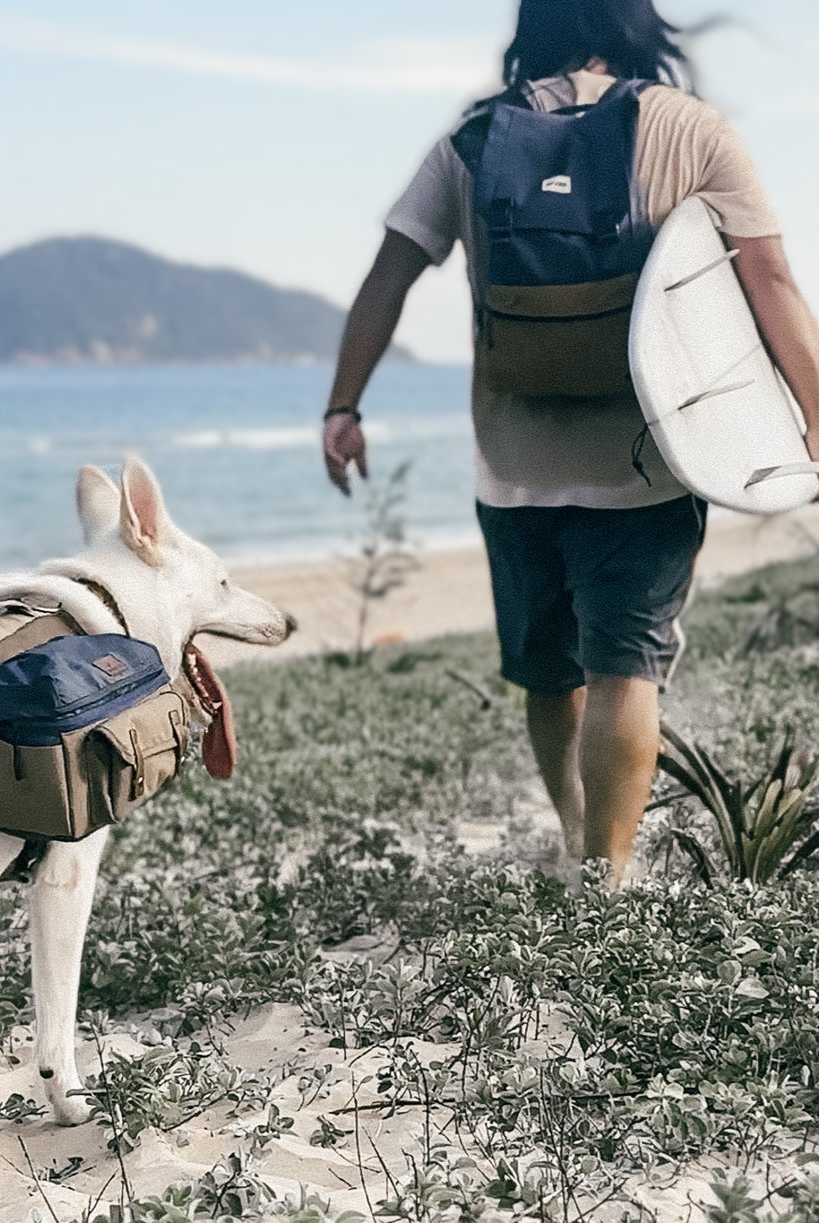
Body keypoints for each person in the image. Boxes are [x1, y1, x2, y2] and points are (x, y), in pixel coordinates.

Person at [322, 0, 819, 887]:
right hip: (648, 461)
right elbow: (770, 277)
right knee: (624, 666)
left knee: (549, 672)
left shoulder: (472, 141)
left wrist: (342, 406)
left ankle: (568, 830)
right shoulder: (691, 129)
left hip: (513, 465)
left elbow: (388, 272)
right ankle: (606, 874)